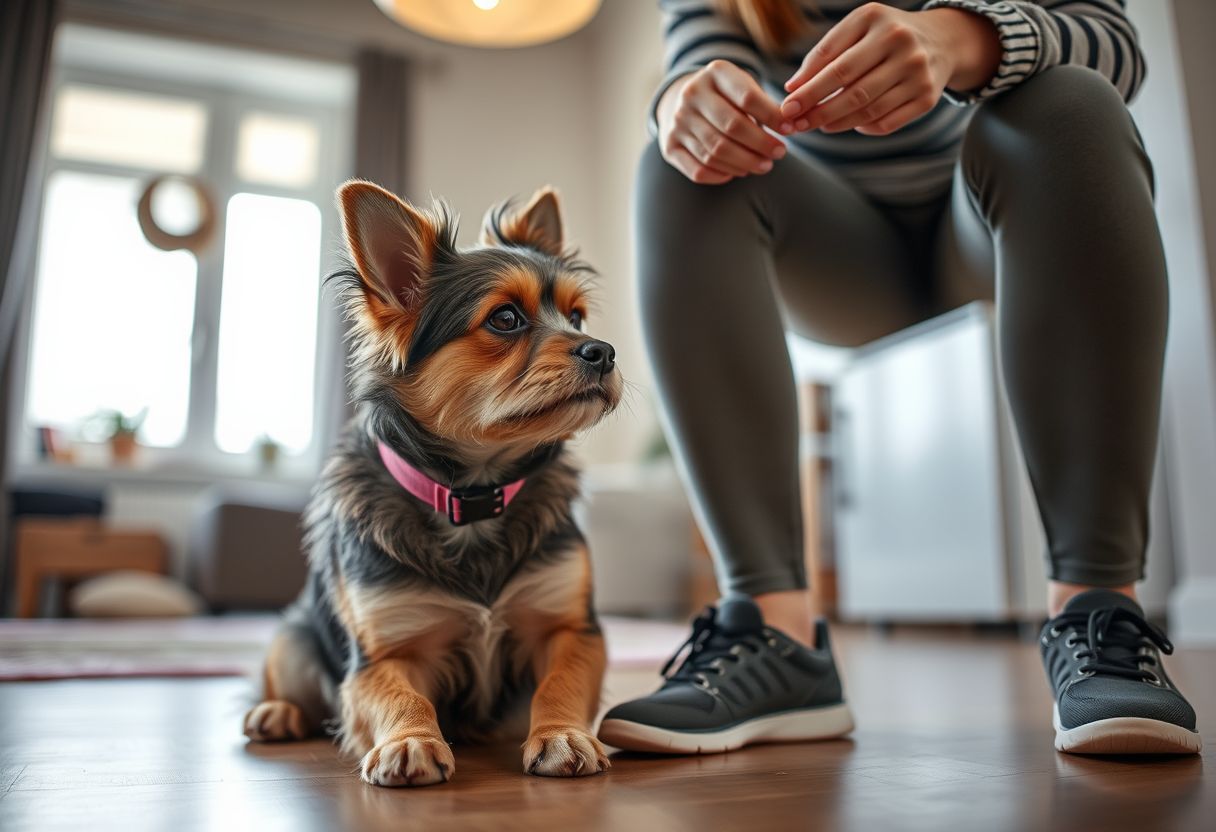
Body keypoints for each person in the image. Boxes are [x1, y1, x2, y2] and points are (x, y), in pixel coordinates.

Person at [596, 0, 1202, 756]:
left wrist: (961, 39)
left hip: (995, 209)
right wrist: (683, 102)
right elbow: (699, 58)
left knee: (1068, 101)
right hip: (834, 250)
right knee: (679, 161)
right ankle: (775, 636)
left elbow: (1115, 46)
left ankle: (1097, 613)